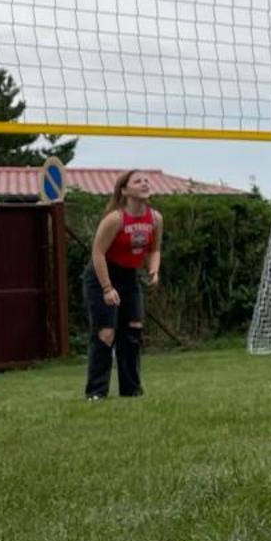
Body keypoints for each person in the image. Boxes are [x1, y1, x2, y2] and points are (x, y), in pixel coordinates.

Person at [85, 169, 162, 398]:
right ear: (125, 190)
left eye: (146, 180)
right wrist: (107, 289)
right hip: (102, 276)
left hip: (129, 277)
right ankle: (96, 392)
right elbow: (97, 253)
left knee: (133, 331)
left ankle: (131, 390)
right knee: (106, 333)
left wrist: (153, 270)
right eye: (138, 181)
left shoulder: (155, 218)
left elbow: (154, 249)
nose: (144, 183)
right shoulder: (115, 219)